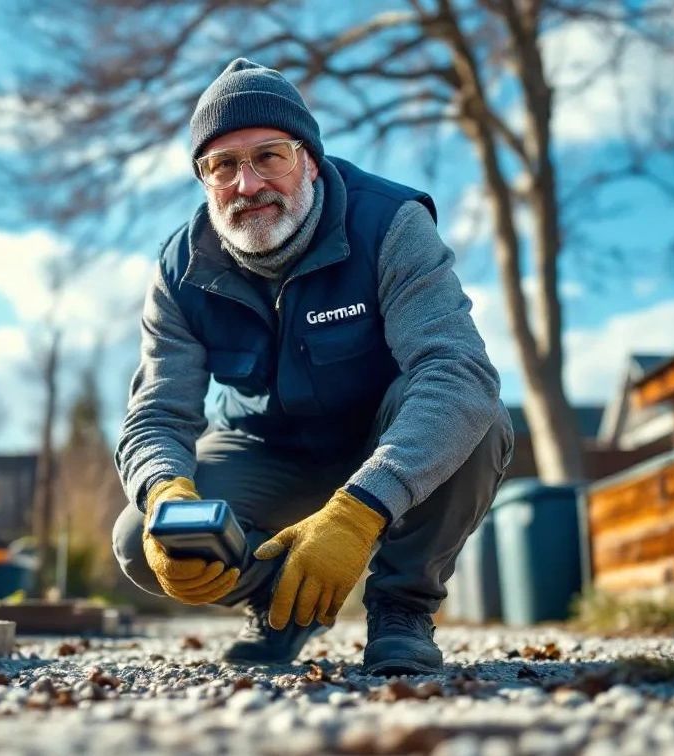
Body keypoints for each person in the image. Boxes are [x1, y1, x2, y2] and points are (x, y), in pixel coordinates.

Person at [111, 57, 514, 676]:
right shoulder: (179, 269)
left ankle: (401, 611)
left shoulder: (390, 225)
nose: (246, 185)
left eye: (269, 155)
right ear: (203, 180)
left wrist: (359, 511)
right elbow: (156, 415)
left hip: (385, 443)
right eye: (222, 166)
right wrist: (166, 493)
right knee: (142, 537)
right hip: (267, 453)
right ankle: (282, 607)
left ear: (310, 160)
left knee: (478, 421)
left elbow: (458, 374)